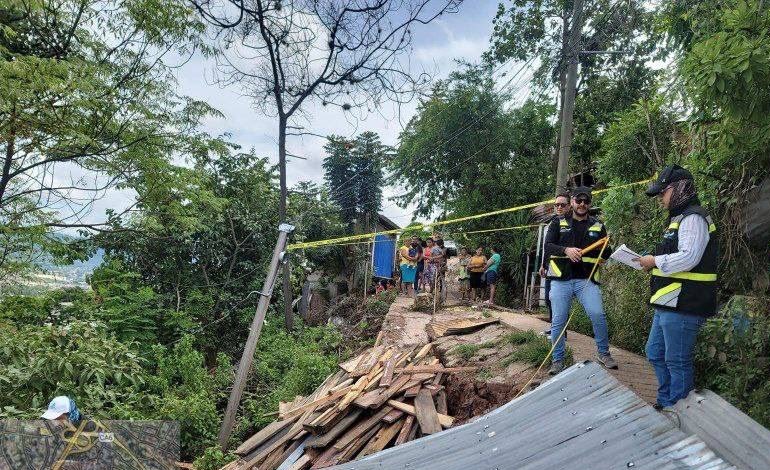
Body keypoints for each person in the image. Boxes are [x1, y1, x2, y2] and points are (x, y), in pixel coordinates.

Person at [636, 165, 719, 409]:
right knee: (655, 353)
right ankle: (666, 402)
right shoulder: (678, 219)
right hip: (669, 302)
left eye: (663, 193)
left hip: (686, 303)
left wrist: (655, 261)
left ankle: (679, 412)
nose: (660, 198)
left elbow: (689, 257)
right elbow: (676, 256)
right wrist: (652, 261)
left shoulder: (694, 218)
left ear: (679, 188)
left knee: (677, 360)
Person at [545, 186, 617, 374]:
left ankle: (604, 353)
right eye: (579, 200)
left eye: (586, 201)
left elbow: (606, 251)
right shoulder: (557, 222)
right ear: (572, 202)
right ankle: (557, 359)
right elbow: (548, 246)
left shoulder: (598, 226)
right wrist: (566, 250)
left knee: (598, 315)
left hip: (587, 280)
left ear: (590, 203)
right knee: (559, 320)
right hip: (561, 280)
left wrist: (605, 252)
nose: (582, 204)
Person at [540, 193, 572, 335]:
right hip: (551, 267)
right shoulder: (554, 221)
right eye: (556, 205)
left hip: (563, 269)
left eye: (562, 204)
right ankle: (554, 327)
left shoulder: (572, 223)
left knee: (559, 301)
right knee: (549, 299)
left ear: (569, 206)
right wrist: (543, 265)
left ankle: (561, 333)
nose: (559, 207)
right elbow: (547, 247)